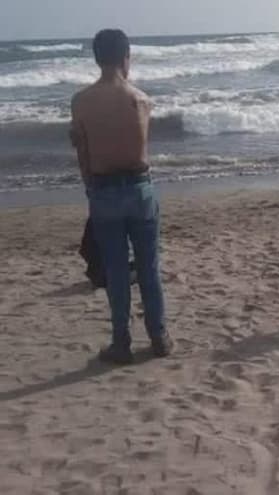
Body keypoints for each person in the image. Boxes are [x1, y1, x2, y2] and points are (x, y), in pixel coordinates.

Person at [70, 29, 172, 364]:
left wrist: (90, 187)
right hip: (141, 187)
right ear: (126, 57)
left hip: (103, 189)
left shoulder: (81, 101)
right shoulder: (142, 99)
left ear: (97, 59)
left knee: (116, 272)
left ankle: (121, 343)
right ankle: (159, 336)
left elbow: (83, 151)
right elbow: (141, 149)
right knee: (149, 268)